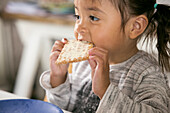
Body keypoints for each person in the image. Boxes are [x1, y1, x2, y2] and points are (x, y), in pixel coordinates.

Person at [40, 0, 170, 112]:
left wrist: (105, 90)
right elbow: (65, 107)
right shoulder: (82, 63)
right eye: (78, 16)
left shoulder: (147, 73)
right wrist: (58, 78)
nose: (79, 28)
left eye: (93, 18)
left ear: (135, 27)